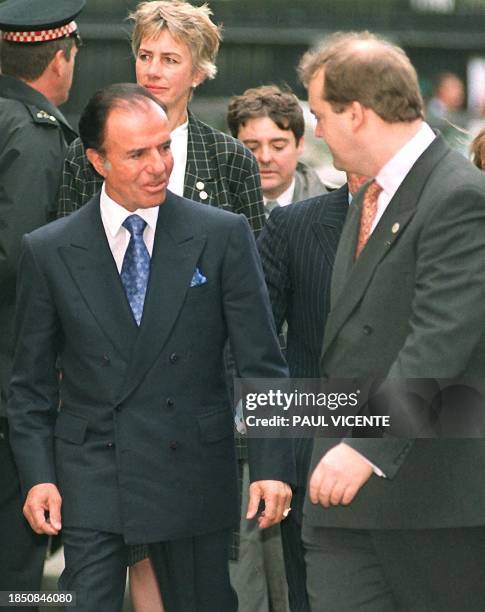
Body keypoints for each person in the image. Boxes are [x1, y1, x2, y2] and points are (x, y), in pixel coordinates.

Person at [7, 83, 294, 612]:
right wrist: (39, 477)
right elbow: (30, 386)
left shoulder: (222, 234)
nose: (158, 165)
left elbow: (262, 364)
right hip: (92, 468)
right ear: (97, 161)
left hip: (193, 467)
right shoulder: (48, 250)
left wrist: (272, 465)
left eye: (164, 147)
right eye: (137, 153)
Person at [298, 31, 485, 611]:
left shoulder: (458, 196)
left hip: (427, 501)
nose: (318, 130)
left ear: (356, 113)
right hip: (342, 501)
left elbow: (440, 338)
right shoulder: (368, 195)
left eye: (321, 114)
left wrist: (367, 447)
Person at [0, 0, 84, 606]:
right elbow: (22, 260)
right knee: (15, 566)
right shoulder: (34, 133)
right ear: (60, 58)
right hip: (13, 389)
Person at [56, 0, 264, 236]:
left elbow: (249, 261)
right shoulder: (87, 151)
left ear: (197, 73)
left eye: (170, 60)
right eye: (145, 56)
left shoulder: (230, 159)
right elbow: (66, 250)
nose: (152, 71)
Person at [257, 174, 366, 611]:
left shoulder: (446, 218)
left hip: (419, 464)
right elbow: (255, 348)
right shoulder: (293, 224)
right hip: (311, 462)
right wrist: (274, 458)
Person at [227, 85, 327, 218]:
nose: (265, 158)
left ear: (300, 145)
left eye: (278, 146)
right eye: (251, 148)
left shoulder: (336, 211)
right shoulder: (214, 209)